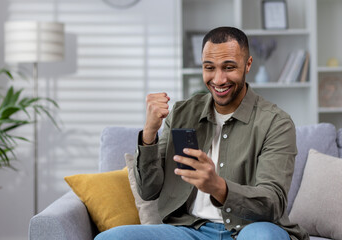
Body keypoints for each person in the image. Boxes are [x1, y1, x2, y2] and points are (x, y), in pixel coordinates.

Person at [95, 26, 309, 240]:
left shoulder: (276, 122)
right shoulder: (181, 113)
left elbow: (272, 202)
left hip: (249, 229)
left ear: (248, 65)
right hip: (190, 230)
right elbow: (148, 191)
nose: (218, 79)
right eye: (209, 68)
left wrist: (218, 187)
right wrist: (150, 132)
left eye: (229, 67)